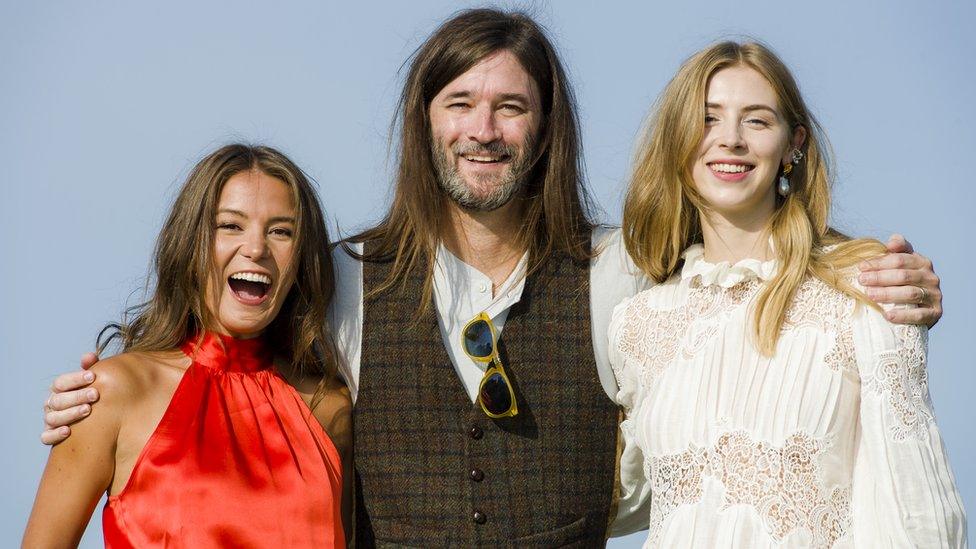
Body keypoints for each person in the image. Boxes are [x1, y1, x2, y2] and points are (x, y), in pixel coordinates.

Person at [39, 10, 945, 546]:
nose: (484, 129)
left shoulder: (619, 271)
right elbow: (231, 368)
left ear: (546, 128)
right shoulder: (349, 279)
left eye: (511, 106)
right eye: (459, 103)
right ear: (422, 121)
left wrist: (861, 267)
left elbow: (742, 258)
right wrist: (107, 395)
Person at [610, 41, 966, 547]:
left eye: (756, 121)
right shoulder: (637, 323)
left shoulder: (864, 288)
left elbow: (912, 503)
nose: (729, 139)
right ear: (677, 140)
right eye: (708, 119)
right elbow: (616, 496)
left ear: (792, 145)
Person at [24, 144, 351, 547]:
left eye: (281, 231)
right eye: (231, 226)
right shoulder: (113, 393)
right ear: (190, 241)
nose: (256, 248)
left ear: (302, 257)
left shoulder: (329, 405)